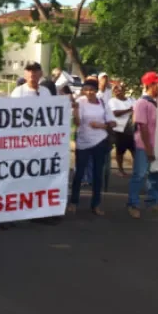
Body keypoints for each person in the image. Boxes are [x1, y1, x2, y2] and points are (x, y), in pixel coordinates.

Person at [68, 80, 116, 216]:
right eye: (86, 89)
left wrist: (102, 126)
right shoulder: (81, 101)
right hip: (83, 142)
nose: (88, 92)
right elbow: (78, 122)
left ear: (96, 90)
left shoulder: (102, 102)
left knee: (97, 174)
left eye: (91, 89)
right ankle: (74, 201)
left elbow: (112, 122)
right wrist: (76, 110)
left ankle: (96, 204)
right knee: (79, 173)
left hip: (100, 141)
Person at [126, 71, 158, 219]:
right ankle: (133, 203)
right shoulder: (142, 103)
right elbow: (142, 127)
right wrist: (149, 149)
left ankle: (153, 201)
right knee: (140, 174)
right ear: (150, 85)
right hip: (144, 146)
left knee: (156, 174)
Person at [108, 83, 135, 177]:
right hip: (120, 129)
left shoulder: (131, 99)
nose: (117, 91)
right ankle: (120, 169)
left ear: (124, 90)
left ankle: (136, 170)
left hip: (132, 128)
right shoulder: (112, 101)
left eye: (119, 89)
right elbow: (115, 113)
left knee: (134, 150)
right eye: (115, 89)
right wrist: (129, 110)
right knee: (120, 151)